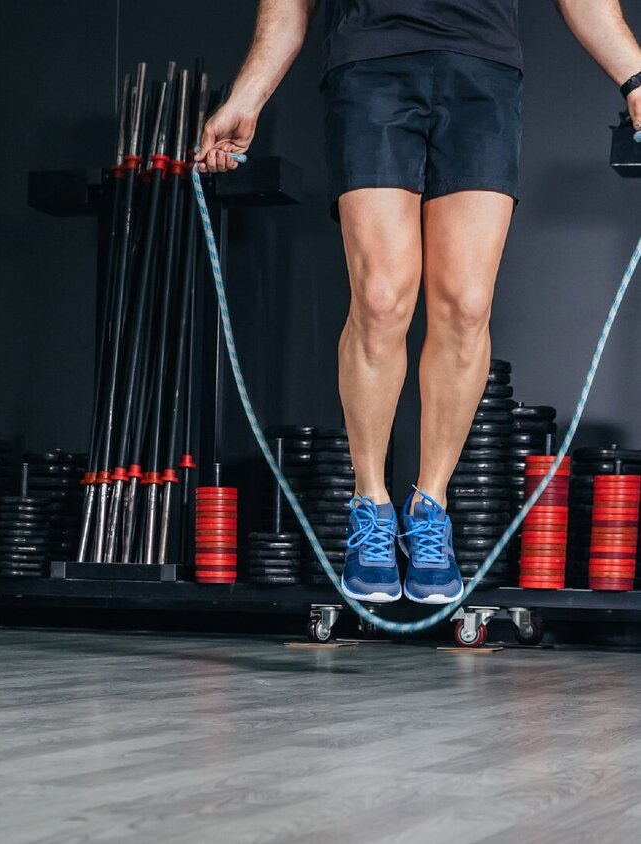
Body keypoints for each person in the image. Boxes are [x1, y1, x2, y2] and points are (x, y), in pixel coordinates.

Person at [197, 0, 641, 604]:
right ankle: (371, 505)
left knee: (467, 304)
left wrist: (636, 79)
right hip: (370, 63)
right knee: (380, 298)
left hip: (482, 69)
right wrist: (247, 96)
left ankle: (430, 507)